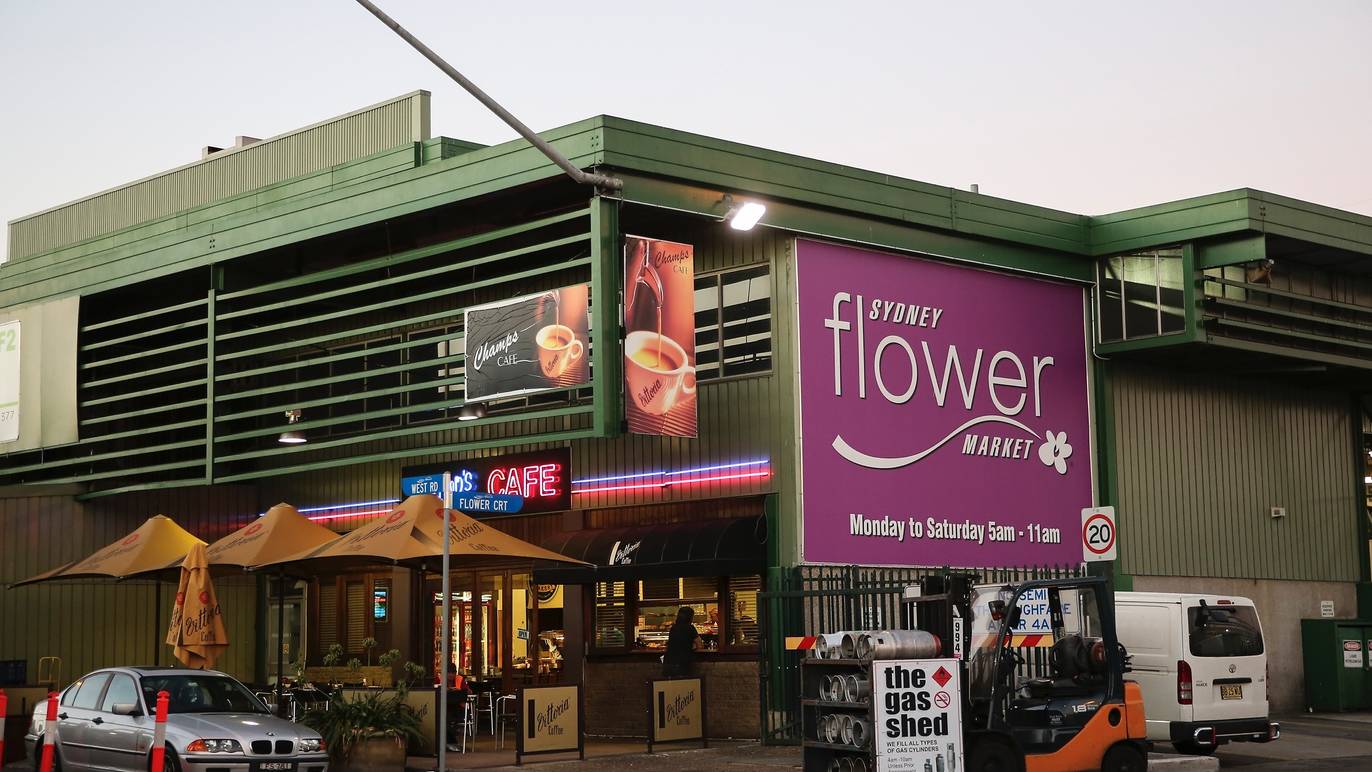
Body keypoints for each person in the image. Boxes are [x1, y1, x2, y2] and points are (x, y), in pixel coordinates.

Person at [662, 606, 703, 677]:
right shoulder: (690, 628)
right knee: (684, 685)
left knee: (671, 685)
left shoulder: (673, 628)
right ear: (690, 617)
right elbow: (700, 645)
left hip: (669, 661)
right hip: (683, 662)